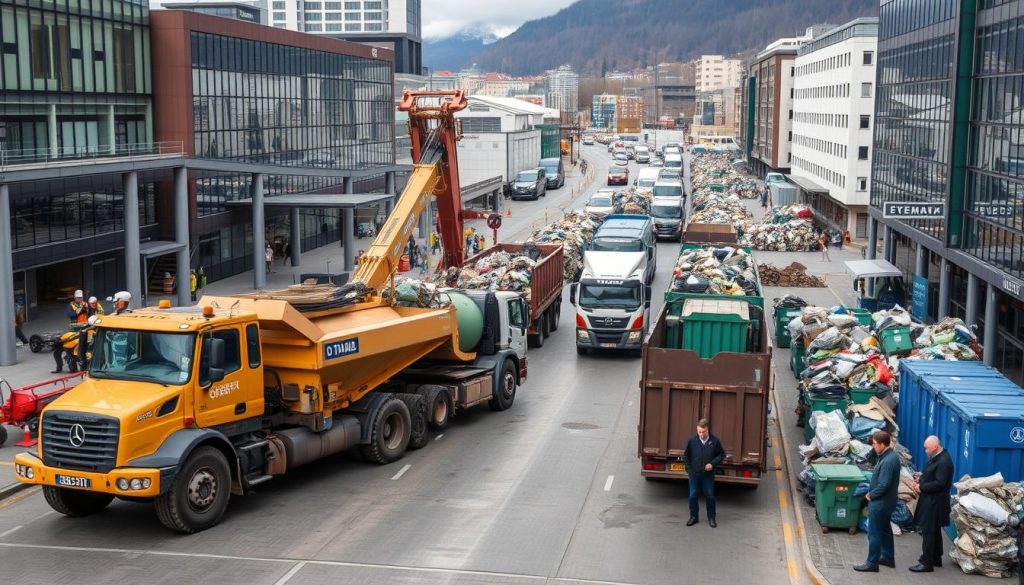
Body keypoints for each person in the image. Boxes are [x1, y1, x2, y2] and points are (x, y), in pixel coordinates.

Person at [855, 430, 901, 572]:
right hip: (887, 502)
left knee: (873, 533)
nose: (873, 447)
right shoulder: (889, 456)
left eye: (875, 444)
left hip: (880, 503)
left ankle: (872, 563)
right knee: (886, 529)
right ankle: (887, 557)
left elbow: (884, 485)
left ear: (883, 444)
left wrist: (870, 495)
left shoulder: (888, 461)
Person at [910, 436, 953, 572]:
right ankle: (935, 557)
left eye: (926, 448)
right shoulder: (938, 457)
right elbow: (933, 476)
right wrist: (921, 478)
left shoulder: (944, 462)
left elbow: (940, 483)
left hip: (935, 502)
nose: (925, 451)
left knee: (928, 531)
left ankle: (926, 562)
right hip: (932, 500)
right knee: (934, 531)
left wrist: (921, 487)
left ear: (935, 447)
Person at [682, 418, 726, 528]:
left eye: (703, 432)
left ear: (708, 429)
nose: (701, 434)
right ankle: (693, 517)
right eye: (699, 432)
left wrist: (712, 464)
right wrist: (689, 469)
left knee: (710, 496)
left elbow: (721, 455)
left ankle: (711, 517)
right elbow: (686, 456)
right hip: (694, 475)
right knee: (693, 496)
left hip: (707, 476)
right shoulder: (692, 441)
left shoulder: (715, 441)